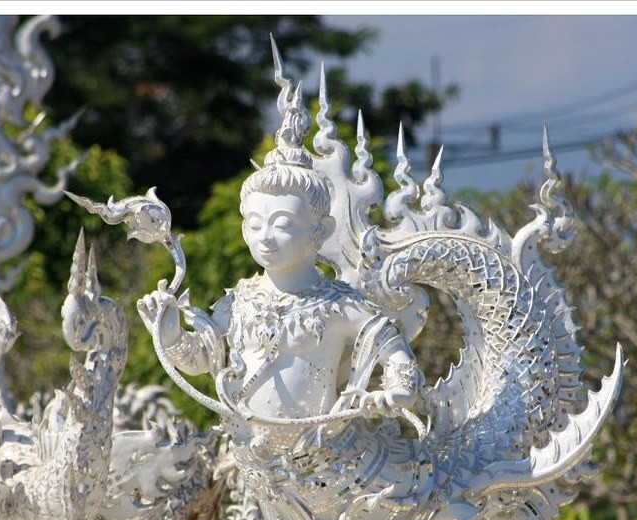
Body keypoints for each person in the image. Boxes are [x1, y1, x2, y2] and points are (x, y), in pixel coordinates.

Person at [136, 96, 423, 440]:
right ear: (244, 230)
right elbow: (202, 359)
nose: (266, 239)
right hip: (256, 463)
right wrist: (169, 334)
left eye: (283, 225)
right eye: (255, 225)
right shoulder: (239, 302)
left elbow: (395, 354)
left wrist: (396, 390)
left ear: (322, 231)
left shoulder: (341, 306)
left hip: (322, 462)